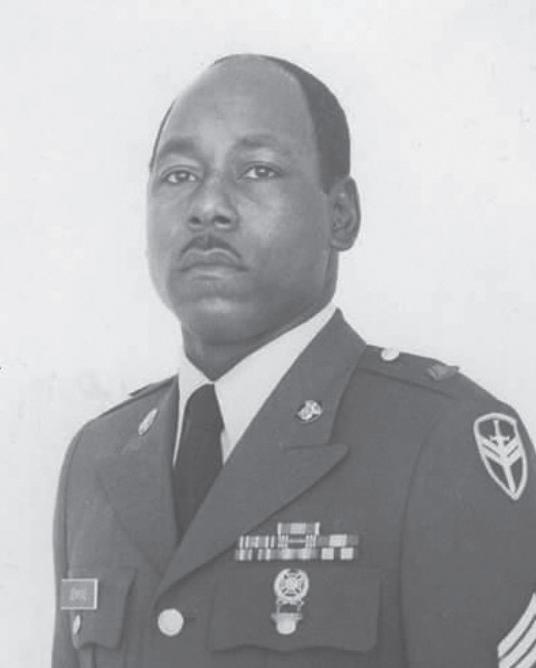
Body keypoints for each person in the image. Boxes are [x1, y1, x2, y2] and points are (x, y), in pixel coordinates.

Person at [52, 54, 536, 668]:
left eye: (257, 170)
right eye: (178, 175)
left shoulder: (440, 443)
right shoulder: (98, 459)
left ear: (342, 216)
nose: (207, 206)